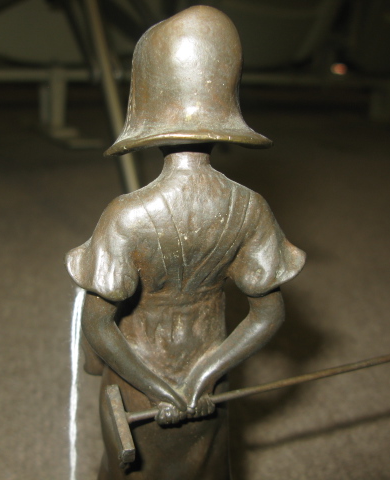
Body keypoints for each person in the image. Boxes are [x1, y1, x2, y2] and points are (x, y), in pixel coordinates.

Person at [66, 6, 305, 480]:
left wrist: (157, 387)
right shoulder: (249, 207)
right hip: (208, 384)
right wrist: (205, 374)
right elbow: (268, 314)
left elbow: (97, 325)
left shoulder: (126, 216)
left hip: (139, 387)